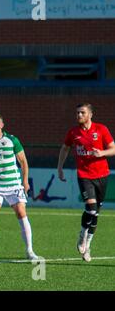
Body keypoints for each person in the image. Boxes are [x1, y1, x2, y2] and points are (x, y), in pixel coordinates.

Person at [57, 103, 115, 262]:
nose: (79, 115)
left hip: (102, 175)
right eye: (77, 113)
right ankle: (82, 234)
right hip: (84, 175)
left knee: (96, 213)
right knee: (91, 208)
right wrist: (60, 167)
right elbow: (65, 148)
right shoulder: (73, 132)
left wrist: (101, 152)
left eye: (82, 112)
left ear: (90, 114)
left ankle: (87, 246)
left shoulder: (101, 129)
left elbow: (113, 148)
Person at [0, 113, 38, 260]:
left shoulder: (11, 140)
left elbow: (23, 161)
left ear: (1, 125)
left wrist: (25, 181)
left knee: (21, 212)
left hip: (14, 183)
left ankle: (29, 251)